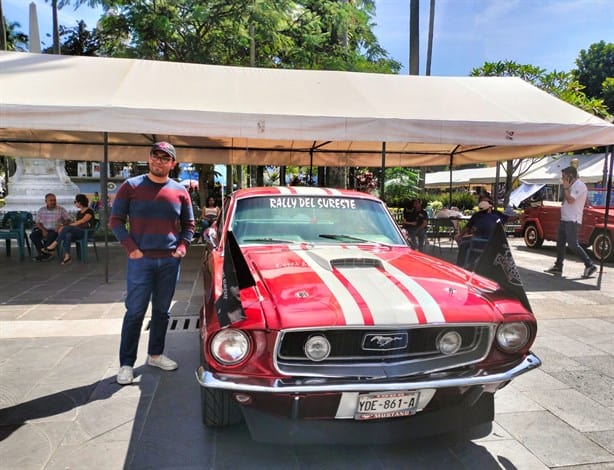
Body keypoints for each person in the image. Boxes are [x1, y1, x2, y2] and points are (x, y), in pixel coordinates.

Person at [109, 141, 195, 385]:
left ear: (173, 163)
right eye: (155, 156)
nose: (159, 161)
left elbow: (189, 225)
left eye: (165, 158)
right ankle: (126, 363)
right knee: (135, 311)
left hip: (169, 261)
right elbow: (115, 221)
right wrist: (131, 248)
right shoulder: (131, 186)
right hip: (141, 261)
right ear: (149, 158)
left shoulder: (180, 190)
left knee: (162, 312)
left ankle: (155, 355)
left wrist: (182, 247)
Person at [544, 166, 597, 278]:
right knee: (560, 243)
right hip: (565, 218)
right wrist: (567, 187)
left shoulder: (579, 185)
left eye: (564, 176)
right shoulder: (572, 185)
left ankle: (590, 264)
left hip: (573, 219)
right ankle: (558, 266)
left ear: (570, 176)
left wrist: (566, 188)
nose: (562, 179)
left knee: (573, 244)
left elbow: (571, 200)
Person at [41, 194, 95, 265]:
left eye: (75, 201)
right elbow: (76, 223)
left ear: (80, 202)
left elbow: (81, 221)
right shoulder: (79, 212)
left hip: (85, 232)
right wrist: (65, 225)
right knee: (67, 235)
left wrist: (65, 226)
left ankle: (53, 245)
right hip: (78, 231)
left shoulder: (89, 211)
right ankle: (67, 257)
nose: (75, 203)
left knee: (66, 228)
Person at [455, 198, 507, 267]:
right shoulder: (496, 217)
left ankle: (461, 266)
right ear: (489, 209)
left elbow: (469, 228)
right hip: (495, 244)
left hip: (481, 243)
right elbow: (502, 228)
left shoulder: (477, 217)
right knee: (471, 242)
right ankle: (472, 263)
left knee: (464, 244)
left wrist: (460, 236)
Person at [30, 193, 71, 261]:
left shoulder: (61, 209)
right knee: (33, 235)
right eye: (51, 200)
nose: (53, 202)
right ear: (46, 201)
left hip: (55, 230)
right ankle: (44, 253)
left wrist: (61, 224)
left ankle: (44, 255)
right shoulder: (42, 210)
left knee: (52, 235)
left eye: (54, 200)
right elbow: (37, 222)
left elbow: (68, 220)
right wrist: (43, 230)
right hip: (44, 229)